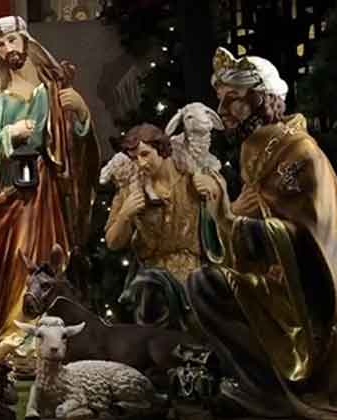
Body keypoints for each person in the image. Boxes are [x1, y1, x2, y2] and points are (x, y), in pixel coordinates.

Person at [189, 47, 337, 419]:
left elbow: (311, 237)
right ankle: (259, 385)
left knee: (208, 286)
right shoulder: (255, 150)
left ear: (263, 99)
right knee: (203, 284)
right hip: (271, 282)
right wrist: (225, 215)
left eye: (233, 99)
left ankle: (280, 393)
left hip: (306, 300)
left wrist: (231, 216)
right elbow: (243, 231)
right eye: (220, 99)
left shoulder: (299, 153)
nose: (222, 110)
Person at [0, 16, 99, 338]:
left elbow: (76, 146)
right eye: (0, 44)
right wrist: (9, 132)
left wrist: (82, 112)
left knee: (51, 254)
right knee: (15, 257)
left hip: (49, 188)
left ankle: (52, 329)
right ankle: (15, 333)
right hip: (14, 189)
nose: (7, 48)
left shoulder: (51, 89)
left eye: (12, 40)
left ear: (26, 40)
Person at [105, 124, 203, 327]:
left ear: (162, 148)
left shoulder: (190, 180)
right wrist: (124, 215)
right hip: (152, 284)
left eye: (145, 154)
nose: (140, 163)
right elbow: (112, 242)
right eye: (134, 158)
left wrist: (213, 187)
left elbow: (220, 215)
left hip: (192, 276)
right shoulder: (131, 190)